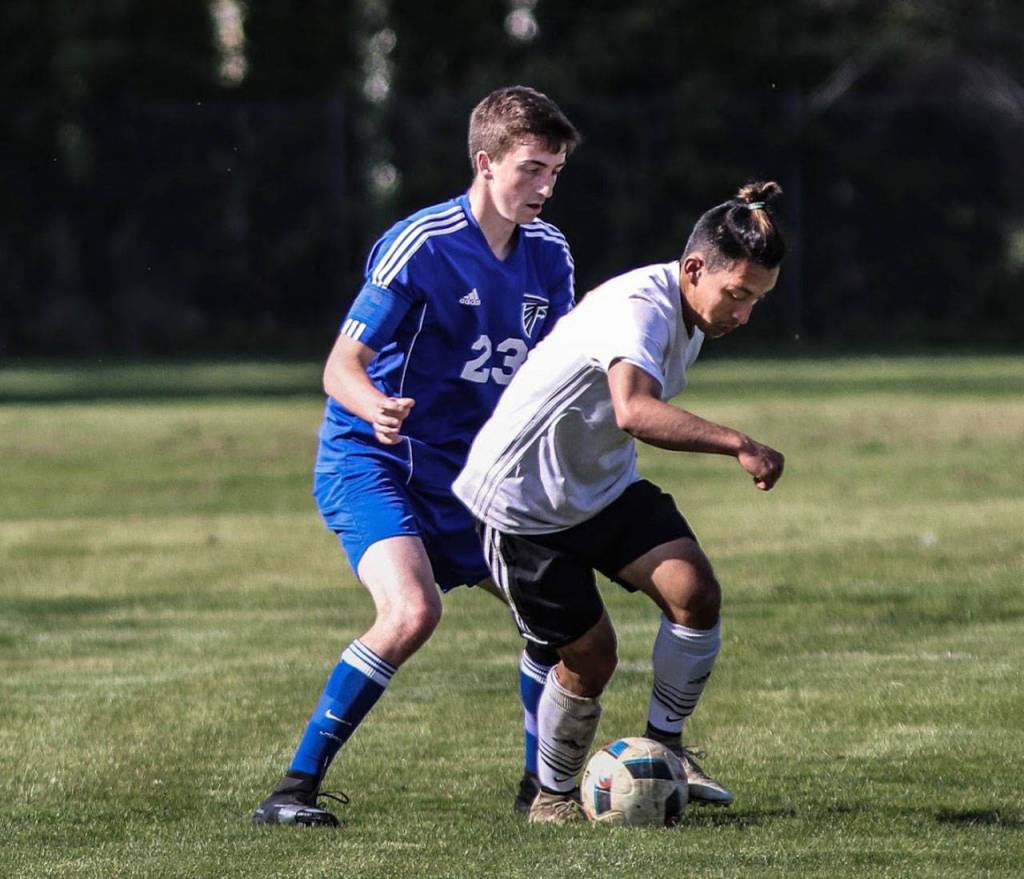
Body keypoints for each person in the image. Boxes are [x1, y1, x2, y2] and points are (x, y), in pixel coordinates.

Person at [252, 86, 581, 827]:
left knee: (557, 621)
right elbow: (341, 365)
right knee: (411, 610)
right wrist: (377, 407)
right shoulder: (423, 243)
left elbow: (559, 367)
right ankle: (293, 789)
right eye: (531, 169)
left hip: (478, 479)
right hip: (375, 462)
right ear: (485, 161)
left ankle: (542, 791)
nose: (545, 187)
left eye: (555, 172)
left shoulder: (550, 252)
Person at [453, 181, 788, 823]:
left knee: (694, 591)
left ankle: (666, 746)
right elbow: (634, 410)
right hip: (521, 505)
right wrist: (738, 443)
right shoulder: (641, 306)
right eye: (738, 294)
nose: (744, 314)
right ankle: (549, 797)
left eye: (757, 300)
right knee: (592, 656)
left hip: (599, 488)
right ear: (694, 269)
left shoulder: (690, 313)